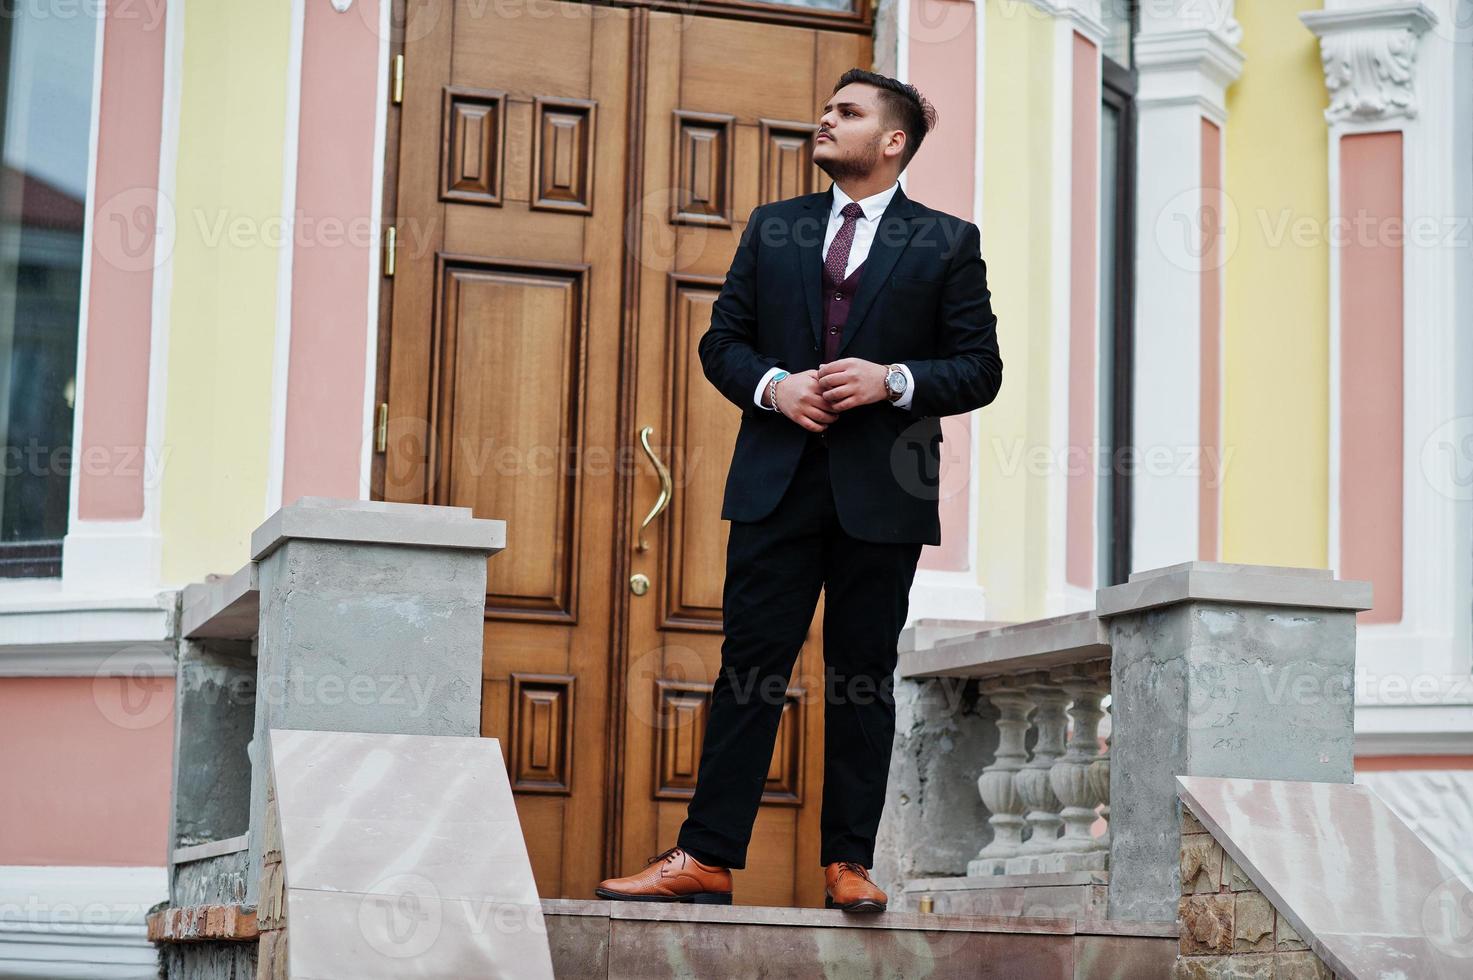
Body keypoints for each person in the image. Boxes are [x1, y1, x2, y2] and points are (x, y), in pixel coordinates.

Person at [596, 68, 1003, 912]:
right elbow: (722, 342)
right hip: (776, 485)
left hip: (882, 494)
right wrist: (774, 386)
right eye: (825, 108)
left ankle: (848, 863)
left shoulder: (946, 242)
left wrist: (890, 379)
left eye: (846, 113)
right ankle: (705, 857)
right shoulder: (773, 228)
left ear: (892, 141)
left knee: (861, 677)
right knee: (748, 669)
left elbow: (979, 369)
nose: (824, 119)